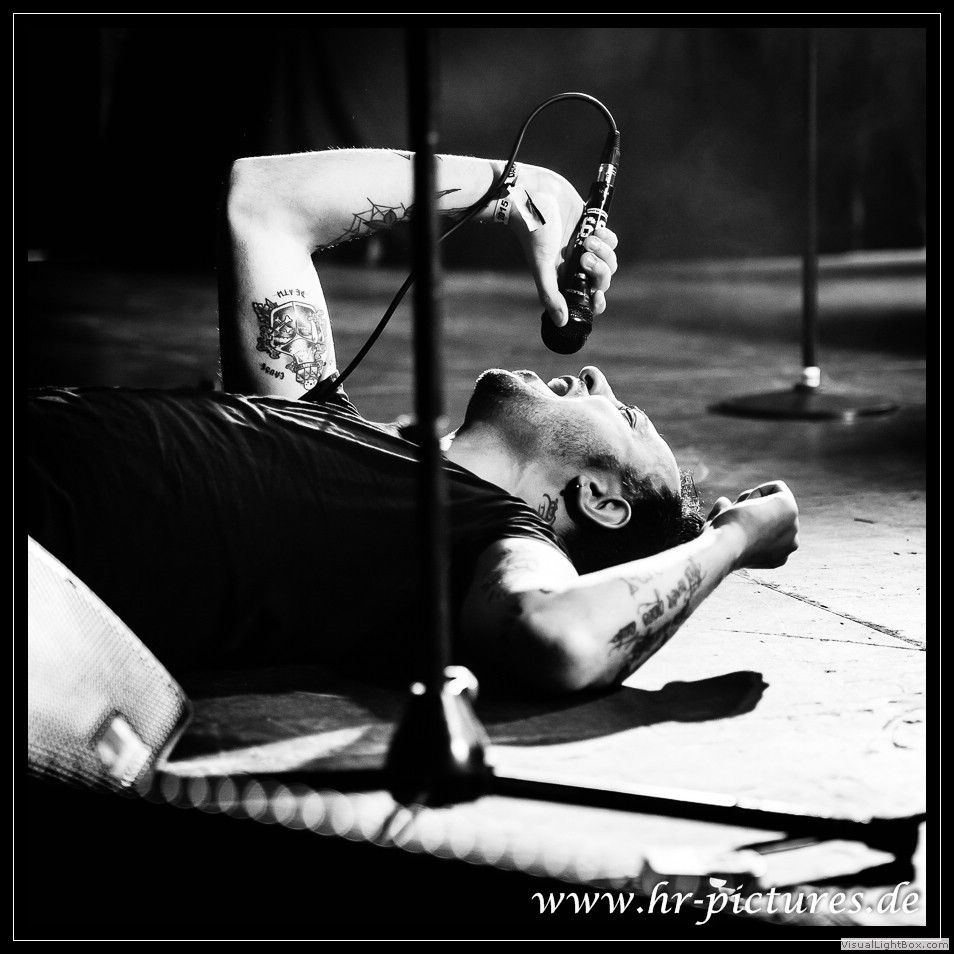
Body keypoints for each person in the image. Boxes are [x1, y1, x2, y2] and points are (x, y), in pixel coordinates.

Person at [28, 148, 799, 696]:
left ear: (600, 500)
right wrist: (520, 191)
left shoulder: (494, 535)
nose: (597, 376)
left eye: (624, 414)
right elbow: (263, 201)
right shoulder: (319, 418)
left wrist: (732, 539)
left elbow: (559, 639)